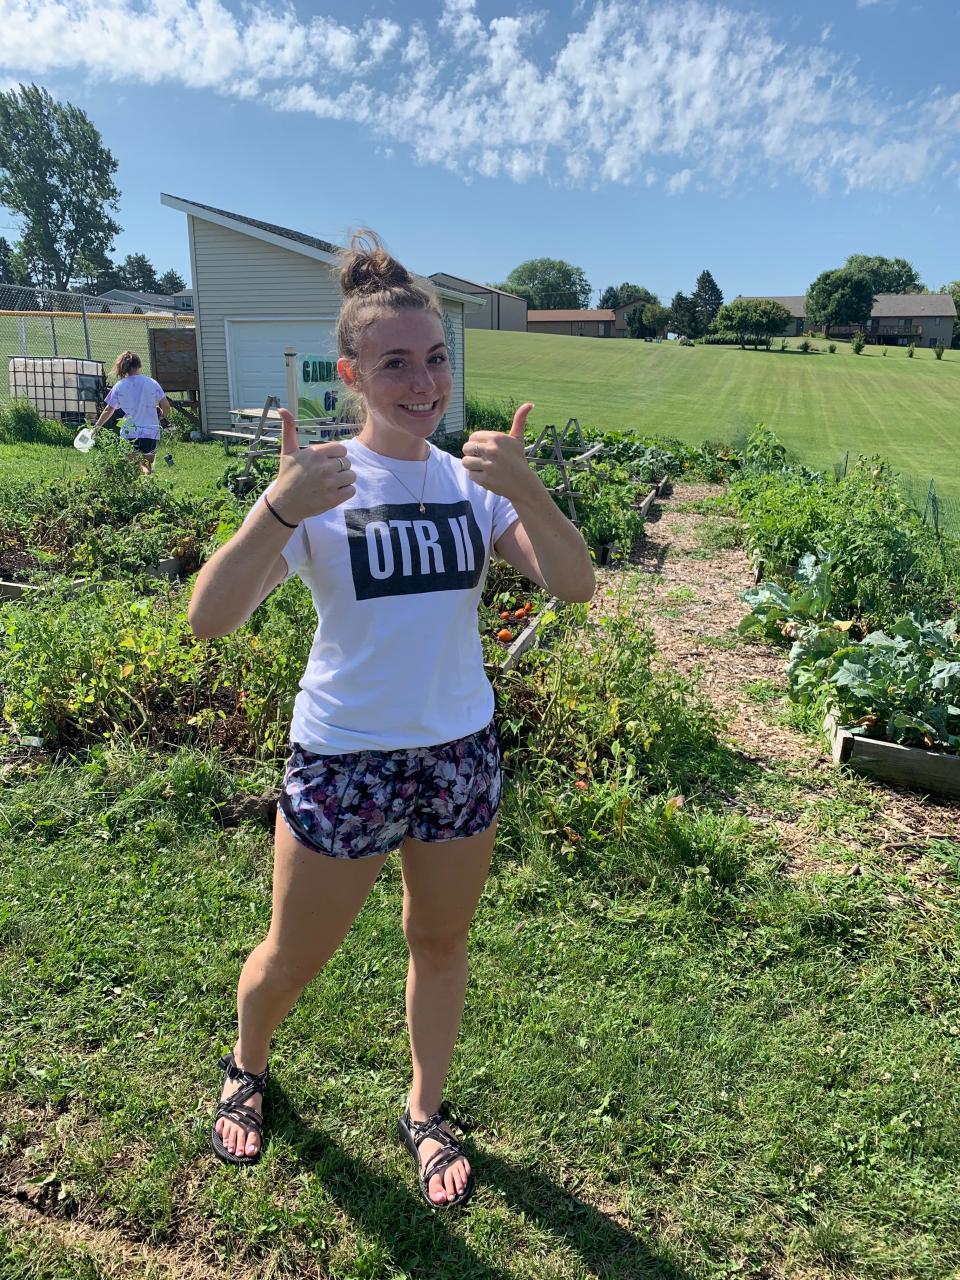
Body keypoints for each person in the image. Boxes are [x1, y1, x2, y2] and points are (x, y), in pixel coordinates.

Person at [188, 230, 596, 1209]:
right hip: (346, 759)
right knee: (294, 955)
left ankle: (424, 1108)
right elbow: (209, 618)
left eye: (436, 359)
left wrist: (527, 487)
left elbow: (575, 584)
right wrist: (276, 510)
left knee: (440, 942)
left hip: (458, 755)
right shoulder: (321, 482)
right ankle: (248, 1063)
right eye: (397, 364)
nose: (424, 383)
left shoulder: (468, 484)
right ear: (353, 375)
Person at [90, 352, 171, 475]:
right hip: (150, 431)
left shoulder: (119, 386)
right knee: (147, 466)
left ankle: (138, 480)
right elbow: (166, 406)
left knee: (134, 466)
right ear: (139, 365)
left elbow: (108, 410)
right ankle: (147, 480)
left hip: (129, 431)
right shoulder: (152, 383)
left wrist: (96, 428)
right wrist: (161, 417)